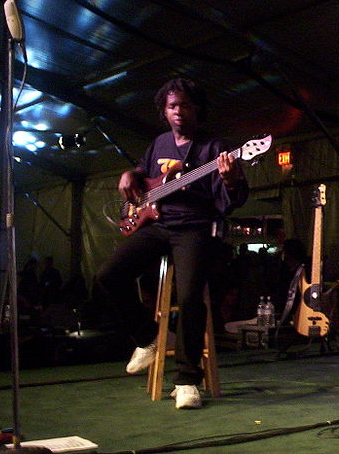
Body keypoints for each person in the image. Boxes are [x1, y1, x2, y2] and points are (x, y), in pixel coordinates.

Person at [96, 78, 248, 409]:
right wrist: (131, 175)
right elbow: (144, 174)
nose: (178, 111)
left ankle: (187, 380)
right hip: (157, 226)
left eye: (185, 105)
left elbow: (231, 201)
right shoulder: (159, 143)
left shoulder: (214, 148)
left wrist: (230, 179)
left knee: (192, 296)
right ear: (164, 111)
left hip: (193, 228)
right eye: (172, 106)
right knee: (108, 275)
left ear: (198, 109)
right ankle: (148, 338)